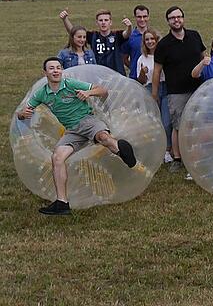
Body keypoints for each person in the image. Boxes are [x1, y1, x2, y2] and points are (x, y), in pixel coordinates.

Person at [17, 57, 138, 215]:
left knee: (103, 137)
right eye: (52, 68)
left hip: (88, 122)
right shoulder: (42, 93)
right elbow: (23, 112)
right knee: (57, 158)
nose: (56, 71)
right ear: (45, 72)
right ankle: (62, 203)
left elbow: (103, 91)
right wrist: (21, 114)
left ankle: (122, 152)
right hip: (72, 131)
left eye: (58, 67)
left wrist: (89, 92)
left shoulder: (70, 84)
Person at [152, 6, 206, 176]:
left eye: (179, 17)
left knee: (197, 124)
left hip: (197, 89)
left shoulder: (194, 36)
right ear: (168, 21)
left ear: (183, 18)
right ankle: (177, 158)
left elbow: (204, 57)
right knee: (178, 126)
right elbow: (157, 71)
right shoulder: (164, 45)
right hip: (176, 91)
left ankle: (197, 155)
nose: (176, 20)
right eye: (172, 18)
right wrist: (155, 94)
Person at [136, 28, 173, 164]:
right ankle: (155, 149)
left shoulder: (164, 54)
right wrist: (143, 73)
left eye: (152, 39)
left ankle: (167, 149)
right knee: (154, 121)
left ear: (157, 40)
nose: (150, 42)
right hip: (150, 89)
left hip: (165, 87)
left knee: (166, 121)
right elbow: (141, 81)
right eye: (147, 39)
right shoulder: (142, 58)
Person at [59, 9, 132, 74]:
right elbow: (74, 32)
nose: (103, 22)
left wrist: (129, 27)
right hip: (98, 75)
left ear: (110, 22)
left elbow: (126, 34)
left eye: (106, 20)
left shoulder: (117, 35)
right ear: (97, 22)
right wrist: (65, 19)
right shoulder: (93, 36)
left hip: (117, 74)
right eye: (101, 20)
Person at [122, 5, 151, 80]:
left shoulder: (153, 36)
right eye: (139, 17)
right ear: (135, 17)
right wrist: (134, 68)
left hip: (152, 77)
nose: (142, 19)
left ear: (148, 17)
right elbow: (124, 58)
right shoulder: (130, 37)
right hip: (135, 78)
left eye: (145, 16)